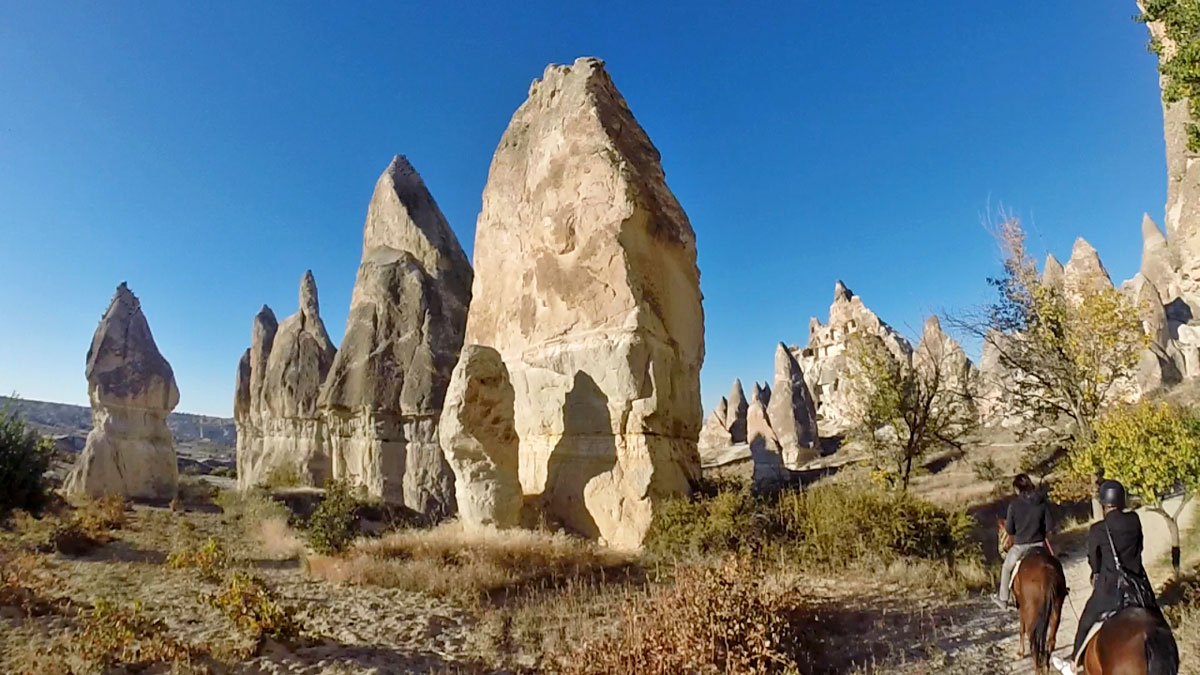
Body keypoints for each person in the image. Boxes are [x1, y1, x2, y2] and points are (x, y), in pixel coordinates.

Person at [1051, 480, 1159, 675]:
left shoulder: (1098, 529)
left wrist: (1097, 573)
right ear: (1122, 500)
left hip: (1110, 589)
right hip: (1138, 587)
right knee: (1158, 620)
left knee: (1086, 619)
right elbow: (1139, 548)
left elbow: (1094, 560)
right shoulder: (1134, 520)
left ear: (1103, 503)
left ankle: (1074, 663)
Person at [993, 473, 1054, 610]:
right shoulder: (1042, 502)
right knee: (1054, 564)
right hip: (1040, 545)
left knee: (1007, 568)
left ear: (1017, 489)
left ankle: (1003, 599)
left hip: (1020, 547)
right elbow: (1049, 526)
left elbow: (1009, 530)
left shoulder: (1014, 505)